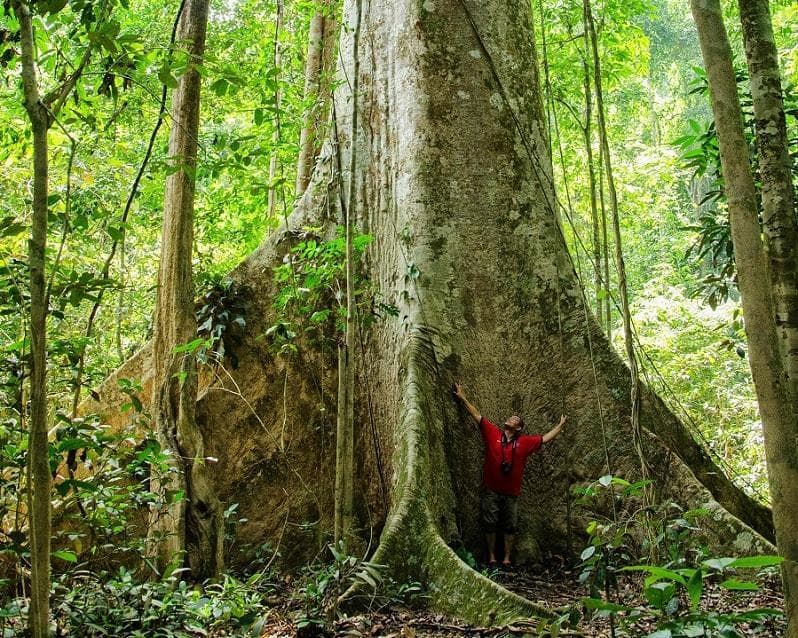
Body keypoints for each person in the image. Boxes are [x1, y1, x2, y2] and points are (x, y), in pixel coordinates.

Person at [453, 382, 566, 568]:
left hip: (511, 494)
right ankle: (491, 556)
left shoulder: (525, 442)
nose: (511, 419)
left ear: (519, 427)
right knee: (489, 524)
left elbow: (545, 438)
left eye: (515, 419)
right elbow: (477, 415)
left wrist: (560, 426)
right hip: (491, 490)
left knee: (510, 526)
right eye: (511, 417)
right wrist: (462, 397)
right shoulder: (493, 433)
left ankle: (506, 557)